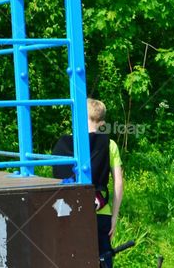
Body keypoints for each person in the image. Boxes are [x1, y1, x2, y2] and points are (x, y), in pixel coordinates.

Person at [51, 98, 125, 267]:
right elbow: (118, 184)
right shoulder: (110, 144)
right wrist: (114, 216)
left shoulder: (62, 144)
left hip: (68, 212)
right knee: (103, 259)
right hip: (101, 212)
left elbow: (57, 180)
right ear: (102, 123)